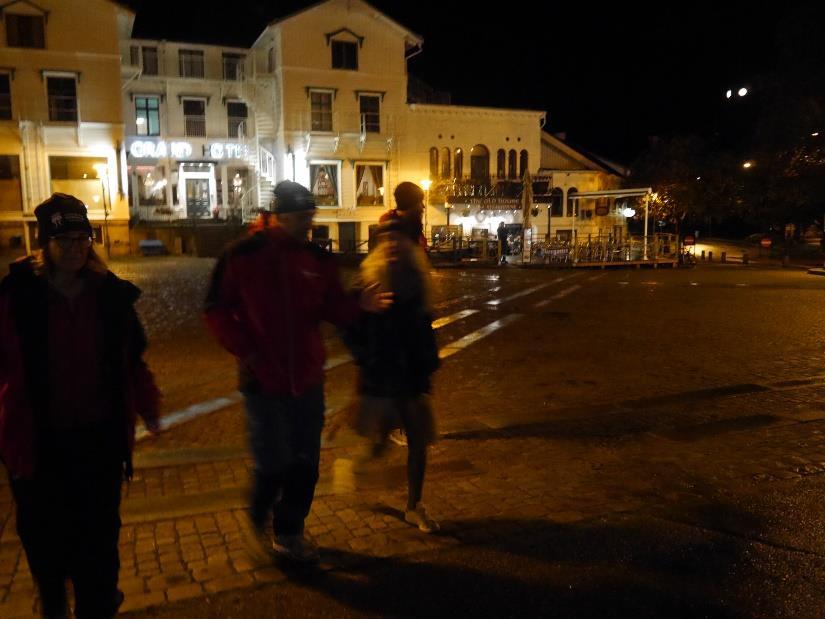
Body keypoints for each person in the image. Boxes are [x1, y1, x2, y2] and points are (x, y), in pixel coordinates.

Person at [204, 180, 392, 564]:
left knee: (306, 463)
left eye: (311, 216)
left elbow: (334, 308)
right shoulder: (242, 255)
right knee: (272, 462)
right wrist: (249, 351)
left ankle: (289, 533)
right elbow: (216, 309)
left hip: (307, 380)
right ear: (280, 215)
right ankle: (257, 520)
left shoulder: (318, 260)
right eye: (302, 216)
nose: (308, 224)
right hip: (262, 380)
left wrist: (362, 307)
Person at [0, 193, 161, 619]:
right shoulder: (17, 297)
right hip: (38, 443)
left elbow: (132, 358)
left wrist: (149, 405)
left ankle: (97, 603)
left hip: (98, 441)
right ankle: (53, 602)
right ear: (45, 243)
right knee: (44, 540)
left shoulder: (110, 296)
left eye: (82, 238)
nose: (75, 248)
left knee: (99, 541)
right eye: (64, 239)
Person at [342, 216, 441, 533]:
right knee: (379, 444)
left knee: (419, 442)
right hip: (381, 378)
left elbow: (424, 328)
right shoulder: (368, 281)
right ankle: (354, 466)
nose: (393, 244)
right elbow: (346, 323)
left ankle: (414, 506)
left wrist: (428, 364)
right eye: (387, 239)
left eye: (398, 238)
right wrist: (365, 355)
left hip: (411, 377)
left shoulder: (417, 281)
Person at [379, 181, 428, 250]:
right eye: (420, 202)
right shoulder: (392, 227)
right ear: (410, 204)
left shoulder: (413, 223)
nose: (423, 206)